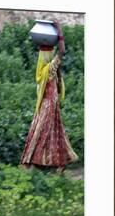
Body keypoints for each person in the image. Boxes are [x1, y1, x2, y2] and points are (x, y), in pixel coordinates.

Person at [20, 22, 78, 171]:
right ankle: (38, 162)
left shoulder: (43, 71)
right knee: (45, 132)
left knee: (49, 132)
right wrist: (59, 30)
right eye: (50, 54)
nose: (52, 56)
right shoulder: (49, 69)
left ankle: (48, 162)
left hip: (49, 105)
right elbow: (62, 51)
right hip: (49, 105)